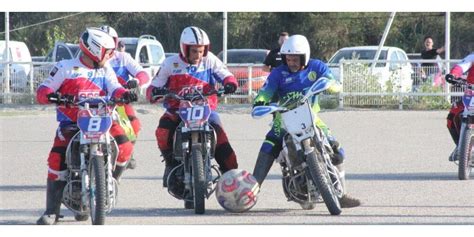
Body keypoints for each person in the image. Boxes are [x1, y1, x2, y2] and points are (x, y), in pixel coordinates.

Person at [36, 28, 137, 225]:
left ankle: (108, 183)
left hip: (103, 120)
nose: (111, 55)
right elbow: (43, 90)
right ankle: (52, 211)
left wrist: (124, 94)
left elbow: (115, 87)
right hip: (72, 124)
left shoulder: (105, 69)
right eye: (108, 51)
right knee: (56, 159)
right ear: (95, 50)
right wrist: (51, 95)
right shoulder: (65, 67)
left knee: (125, 147)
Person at [251, 34, 361, 208]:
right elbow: (266, 91)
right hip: (283, 118)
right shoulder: (278, 73)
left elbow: (333, 82)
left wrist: (330, 85)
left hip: (311, 117)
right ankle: (251, 192)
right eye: (288, 59)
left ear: (305, 57)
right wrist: (260, 101)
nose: (291, 62)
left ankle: (341, 194)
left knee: (337, 150)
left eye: (295, 59)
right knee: (269, 144)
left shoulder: (316, 67)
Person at [146, 26, 239, 187]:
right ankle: (170, 164)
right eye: (194, 51)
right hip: (177, 110)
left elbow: (227, 76)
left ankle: (231, 177)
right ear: (184, 49)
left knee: (220, 135)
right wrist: (154, 92)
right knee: (163, 130)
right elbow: (153, 87)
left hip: (206, 109)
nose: (198, 55)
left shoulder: (210, 60)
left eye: (201, 51)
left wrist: (230, 84)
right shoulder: (170, 63)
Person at [100, 25, 151, 169]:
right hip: (97, 102)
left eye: (109, 40)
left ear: (115, 42)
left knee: (133, 125)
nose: (105, 44)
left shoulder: (122, 58)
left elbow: (143, 74)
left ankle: (128, 153)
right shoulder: (89, 60)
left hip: (120, 101)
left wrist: (137, 81)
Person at [445, 53, 474, 161]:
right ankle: (460, 146)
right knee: (452, 116)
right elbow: (461, 66)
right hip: (472, 95)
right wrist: (453, 75)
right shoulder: (473, 57)